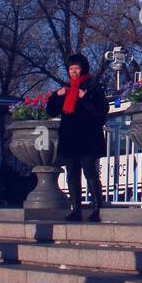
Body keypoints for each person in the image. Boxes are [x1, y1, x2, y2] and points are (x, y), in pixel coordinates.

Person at [45, 53, 108, 222]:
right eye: (71, 68)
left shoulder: (93, 87)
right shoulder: (66, 89)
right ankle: (76, 210)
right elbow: (51, 111)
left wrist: (85, 97)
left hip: (87, 137)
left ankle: (97, 208)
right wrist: (56, 96)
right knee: (72, 174)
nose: (73, 71)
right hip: (70, 137)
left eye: (77, 68)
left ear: (83, 68)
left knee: (89, 171)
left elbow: (102, 111)